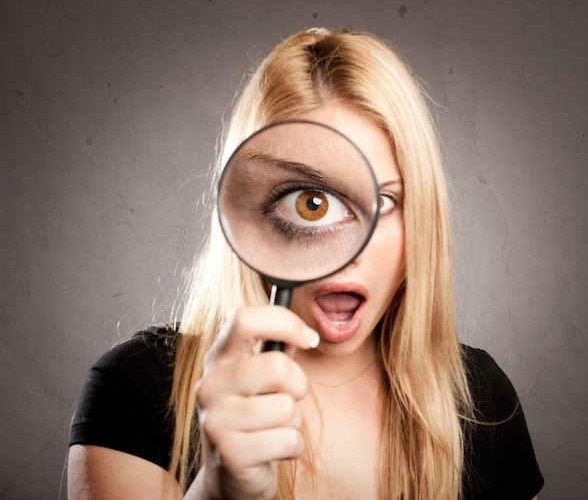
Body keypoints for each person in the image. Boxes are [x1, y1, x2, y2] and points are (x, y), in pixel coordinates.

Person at [68, 28, 544, 499]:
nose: (351, 248)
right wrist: (216, 492)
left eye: (382, 200)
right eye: (312, 203)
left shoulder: (480, 398)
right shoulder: (136, 390)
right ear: (251, 211)